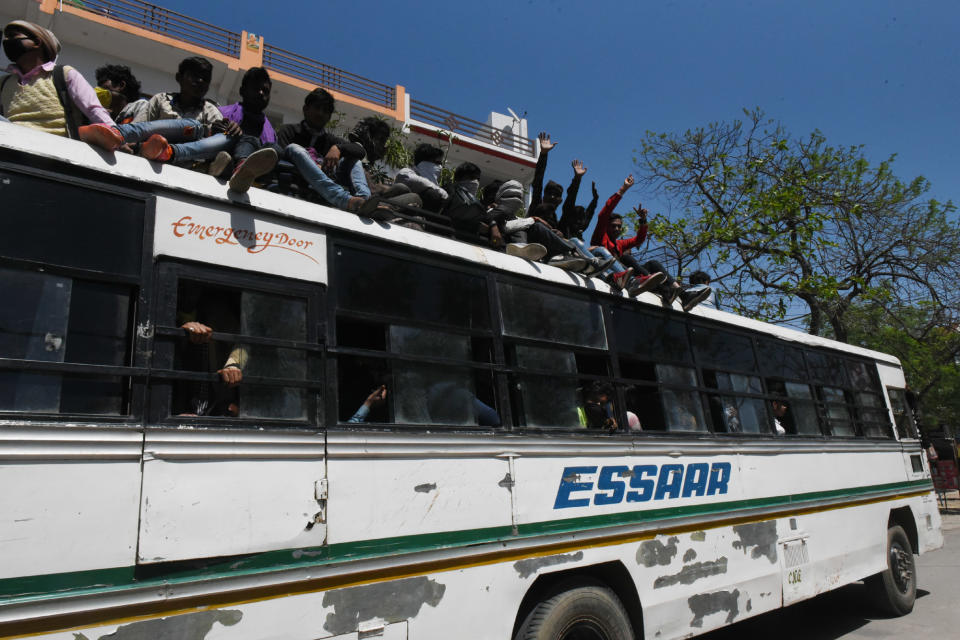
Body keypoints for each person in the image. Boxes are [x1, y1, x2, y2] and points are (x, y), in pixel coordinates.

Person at [0, 20, 124, 151]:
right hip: (10, 151)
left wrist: (117, 137)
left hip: (54, 151)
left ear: (37, 43)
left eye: (13, 36)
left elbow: (93, 109)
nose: (7, 41)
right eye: (6, 37)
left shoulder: (63, 74)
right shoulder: (4, 83)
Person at [277, 87, 371, 211]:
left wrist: (338, 148)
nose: (320, 113)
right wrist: (314, 166)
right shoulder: (289, 131)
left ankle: (364, 201)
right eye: (317, 108)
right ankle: (344, 199)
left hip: (326, 189)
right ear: (305, 109)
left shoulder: (330, 140)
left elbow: (360, 151)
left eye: (325, 111)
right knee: (294, 149)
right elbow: (280, 157)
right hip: (297, 184)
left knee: (354, 160)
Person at [395, 143, 448, 212]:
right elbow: (409, 178)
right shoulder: (408, 172)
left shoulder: (436, 187)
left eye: (441, 164)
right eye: (437, 162)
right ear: (423, 163)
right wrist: (439, 191)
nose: (440, 167)